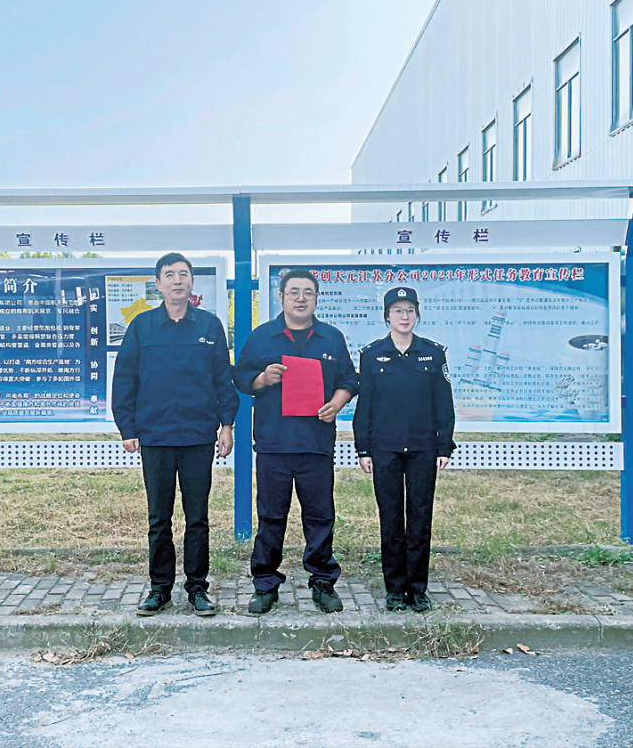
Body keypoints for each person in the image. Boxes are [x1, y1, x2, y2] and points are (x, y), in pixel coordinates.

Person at [112, 253, 239, 617]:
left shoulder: (210, 326)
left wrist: (226, 424)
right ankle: (160, 589)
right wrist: (127, 428)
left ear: (192, 282)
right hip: (155, 435)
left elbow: (223, 378)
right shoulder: (142, 326)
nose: (177, 280)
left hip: (198, 436)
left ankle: (197, 588)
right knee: (159, 519)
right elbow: (125, 378)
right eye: (169, 275)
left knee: (197, 518)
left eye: (183, 274)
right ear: (158, 284)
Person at [233, 269, 358, 614]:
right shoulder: (263, 336)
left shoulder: (331, 337)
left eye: (308, 292)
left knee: (320, 515)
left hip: (316, 442)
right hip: (273, 442)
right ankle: (265, 584)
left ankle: (322, 581)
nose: (301, 298)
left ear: (316, 298)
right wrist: (262, 378)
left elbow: (349, 378)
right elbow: (240, 377)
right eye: (294, 292)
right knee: (271, 516)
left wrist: (338, 402)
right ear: (281, 297)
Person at [353, 286, 456, 613]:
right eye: (397, 310)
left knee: (420, 517)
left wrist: (444, 445)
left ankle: (418, 588)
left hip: (424, 448)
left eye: (410, 310)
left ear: (417, 314)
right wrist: (363, 449)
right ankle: (395, 588)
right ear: (387, 316)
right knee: (391, 517)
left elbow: (444, 404)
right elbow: (365, 405)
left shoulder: (433, 354)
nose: (404, 316)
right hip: (385, 449)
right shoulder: (372, 354)